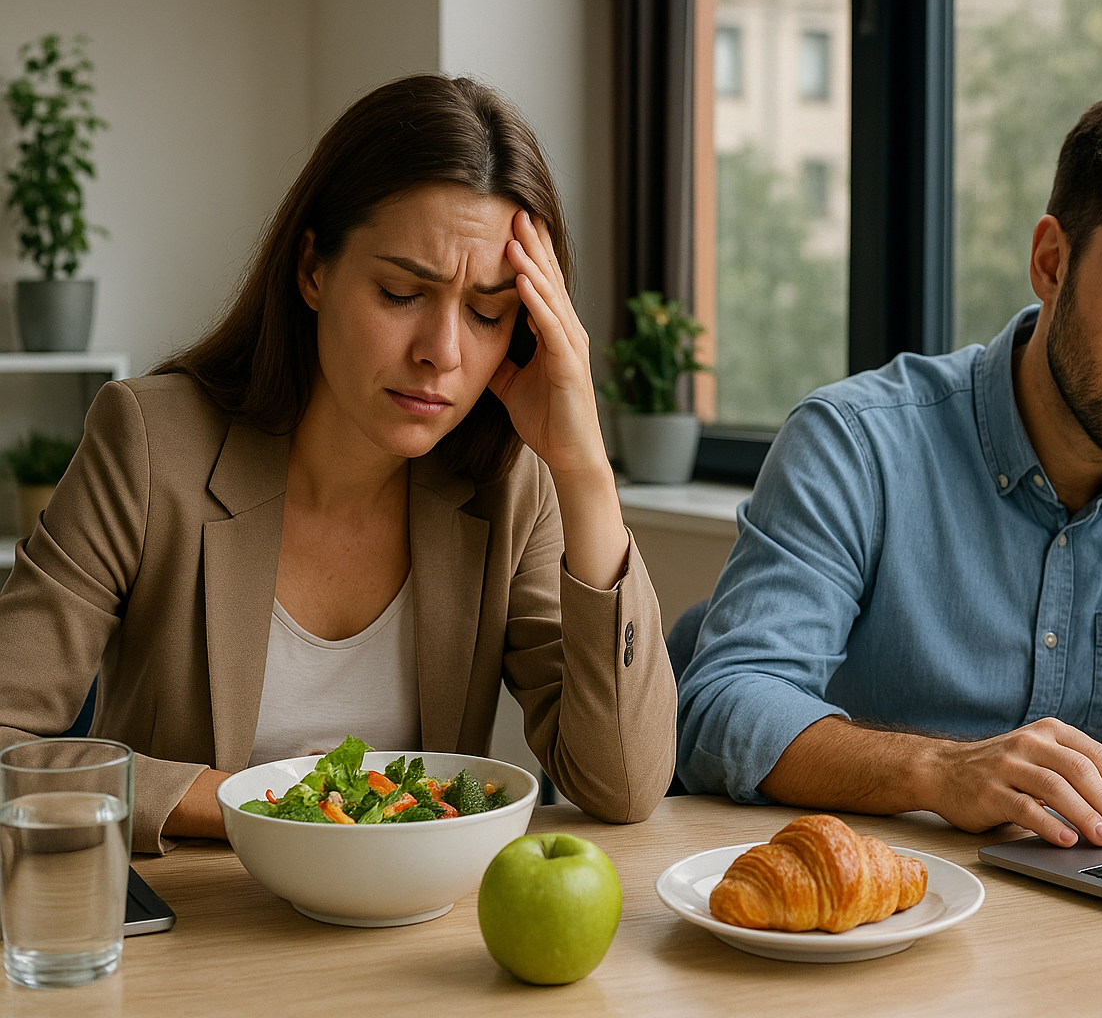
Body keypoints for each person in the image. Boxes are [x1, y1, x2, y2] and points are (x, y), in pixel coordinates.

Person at [0, 75, 676, 853]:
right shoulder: (152, 444)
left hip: (415, 946)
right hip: (194, 935)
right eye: (399, 293)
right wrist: (239, 803)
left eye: (489, 313)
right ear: (313, 268)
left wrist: (585, 467)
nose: (442, 354)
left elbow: (624, 784)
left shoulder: (512, 483)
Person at [675, 82, 1102, 849]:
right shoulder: (855, 444)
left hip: (1053, 923)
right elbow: (724, 705)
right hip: (845, 916)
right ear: (1051, 261)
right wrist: (941, 770)